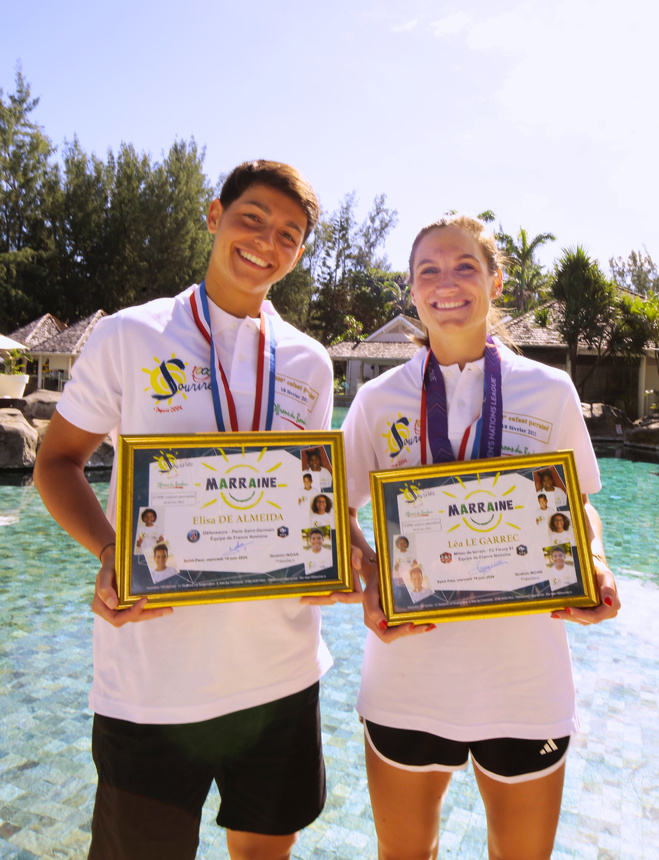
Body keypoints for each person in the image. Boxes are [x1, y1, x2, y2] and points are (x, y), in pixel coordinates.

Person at [34, 160, 359, 860]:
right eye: (252, 220)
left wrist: (349, 554)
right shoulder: (131, 335)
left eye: (289, 235)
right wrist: (109, 554)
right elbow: (56, 461)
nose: (267, 243)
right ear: (214, 216)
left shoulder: (306, 361)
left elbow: (312, 497)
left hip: (280, 673)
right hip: (152, 680)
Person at [342, 214, 620, 860]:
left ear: (495, 280)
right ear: (410, 291)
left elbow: (575, 502)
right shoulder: (379, 399)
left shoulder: (547, 389)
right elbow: (334, 516)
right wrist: (370, 583)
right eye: (427, 271)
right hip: (407, 673)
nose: (446, 283)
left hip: (522, 678)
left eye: (464, 266)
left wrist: (595, 561)